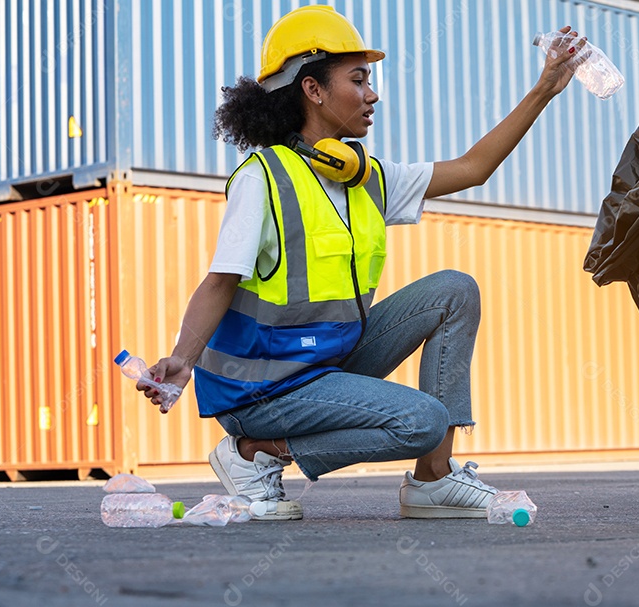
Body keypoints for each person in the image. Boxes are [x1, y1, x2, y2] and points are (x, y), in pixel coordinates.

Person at [136, 5, 585, 520]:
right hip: (263, 389)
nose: (372, 94)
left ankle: (432, 479)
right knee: (423, 420)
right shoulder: (264, 178)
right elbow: (220, 281)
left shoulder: (365, 177)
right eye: (359, 79)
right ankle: (254, 451)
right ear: (313, 89)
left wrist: (545, 88)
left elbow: (473, 168)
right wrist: (182, 360)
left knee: (453, 289)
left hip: (327, 367)